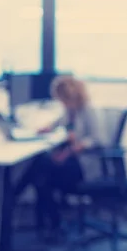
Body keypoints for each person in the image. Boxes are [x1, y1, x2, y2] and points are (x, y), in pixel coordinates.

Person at [31, 75, 104, 240]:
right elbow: (59, 123)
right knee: (40, 170)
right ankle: (49, 223)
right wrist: (47, 128)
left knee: (41, 173)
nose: (61, 103)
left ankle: (50, 223)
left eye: (62, 99)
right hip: (72, 161)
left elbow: (98, 139)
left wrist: (75, 148)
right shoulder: (70, 111)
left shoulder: (88, 110)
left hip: (85, 165)